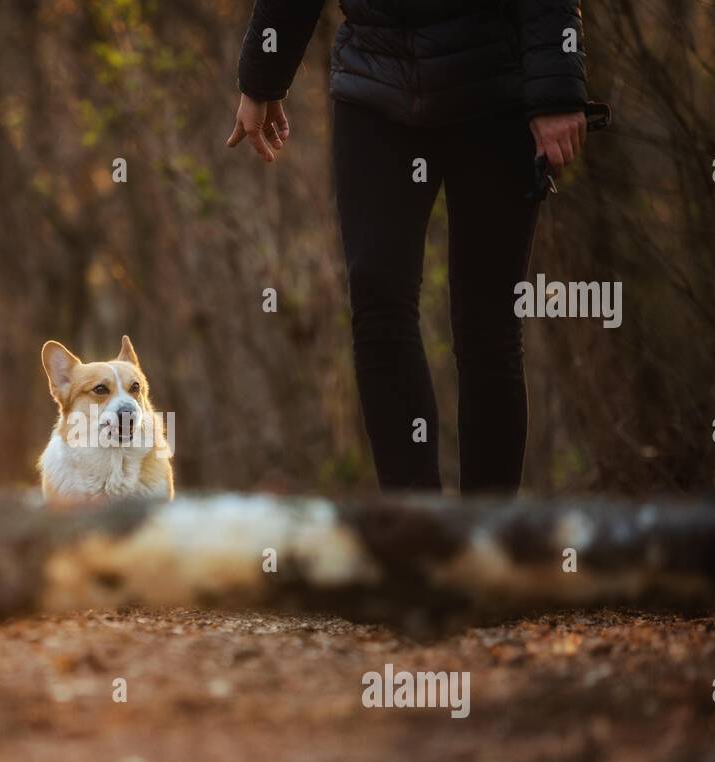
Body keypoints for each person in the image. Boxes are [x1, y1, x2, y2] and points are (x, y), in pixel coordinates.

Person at [228, 1, 592, 493]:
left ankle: (489, 534)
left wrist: (555, 92)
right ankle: (418, 530)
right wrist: (261, 80)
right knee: (378, 307)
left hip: (493, 89)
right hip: (375, 92)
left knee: (489, 325)